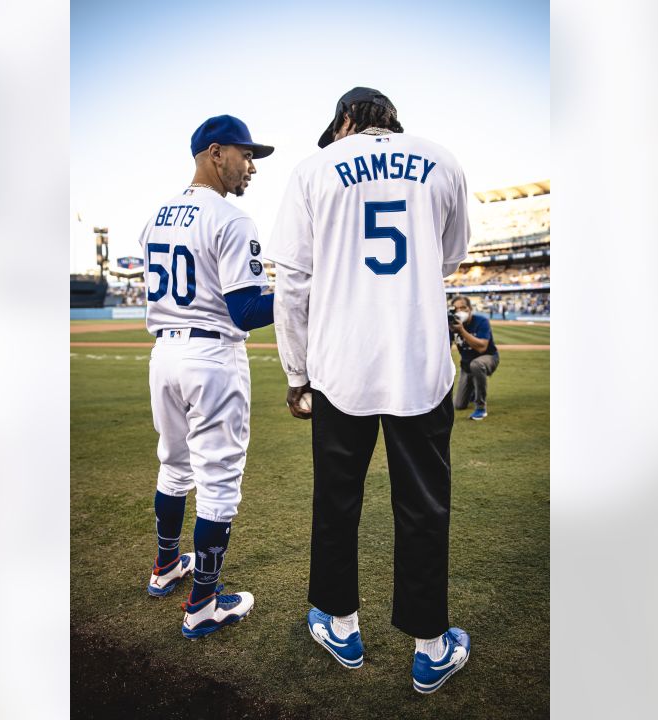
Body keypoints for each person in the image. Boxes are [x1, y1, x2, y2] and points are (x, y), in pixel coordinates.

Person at [266, 87, 472, 694]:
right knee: (424, 508)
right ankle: (431, 648)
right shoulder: (443, 159)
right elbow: (448, 261)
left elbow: (293, 287)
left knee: (336, 503)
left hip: (341, 367)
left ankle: (341, 624)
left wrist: (297, 375)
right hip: (420, 363)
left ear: (345, 120)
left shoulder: (313, 169)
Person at [140, 115, 276, 640]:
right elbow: (244, 311)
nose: (252, 167)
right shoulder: (232, 218)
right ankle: (202, 605)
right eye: (246, 155)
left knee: (174, 468)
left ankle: (165, 567)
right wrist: (299, 294)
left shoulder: (157, 216)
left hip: (165, 355)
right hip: (213, 356)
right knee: (218, 483)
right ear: (215, 153)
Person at [449, 295, 500, 420]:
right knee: (459, 405)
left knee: (476, 365)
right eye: (456, 309)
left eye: (463, 308)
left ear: (470, 308)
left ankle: (481, 407)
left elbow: (482, 347)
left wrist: (462, 331)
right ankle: (472, 391)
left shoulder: (481, 321)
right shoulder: (452, 325)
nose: (460, 311)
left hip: (488, 358)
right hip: (466, 365)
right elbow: (446, 348)